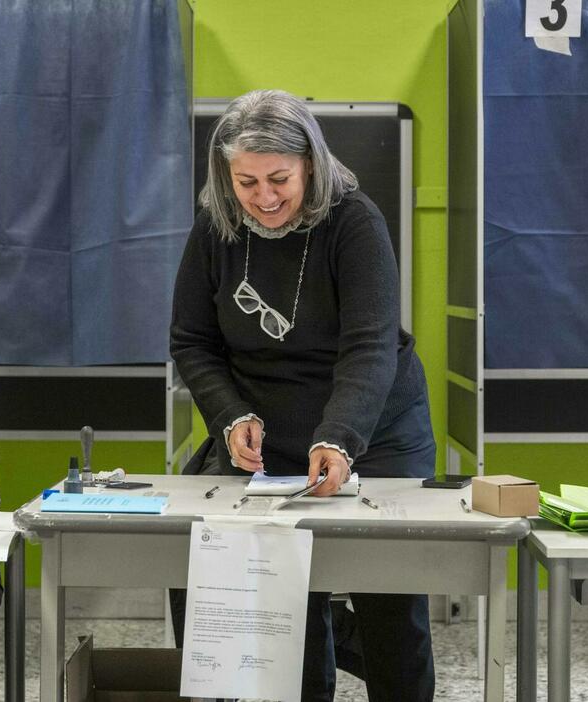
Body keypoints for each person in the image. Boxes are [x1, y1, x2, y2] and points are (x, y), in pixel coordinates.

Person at [170, 89, 437, 702]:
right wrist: (229, 415)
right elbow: (192, 341)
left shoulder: (355, 221)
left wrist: (340, 437)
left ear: (310, 165)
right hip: (267, 428)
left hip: (373, 429)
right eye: (246, 182)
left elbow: (369, 345)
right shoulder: (216, 228)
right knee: (282, 598)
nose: (263, 198)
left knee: (388, 597)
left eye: (279, 179)